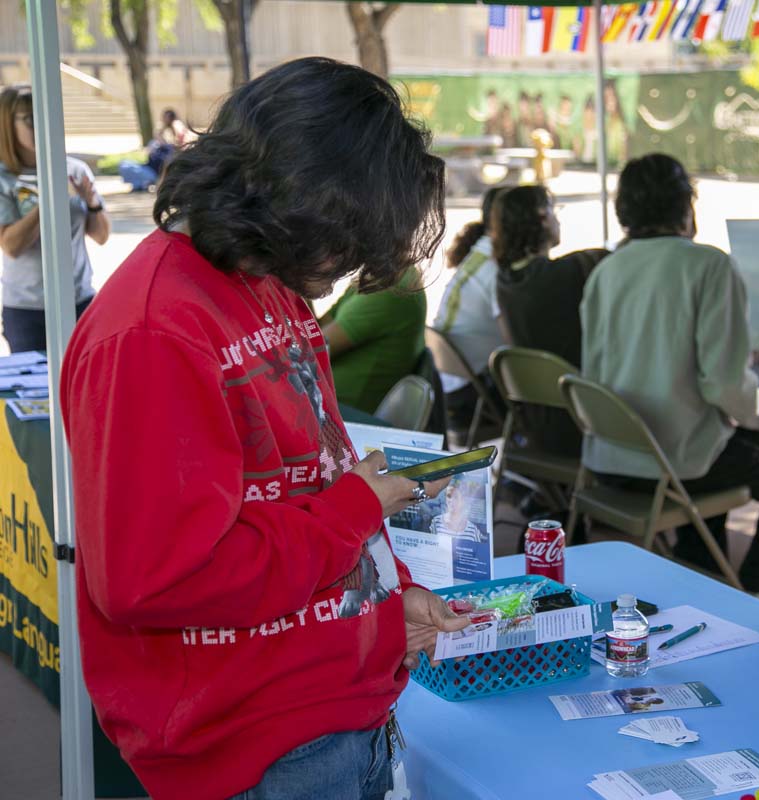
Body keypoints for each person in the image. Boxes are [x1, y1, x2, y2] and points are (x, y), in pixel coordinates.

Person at [59, 58, 471, 800]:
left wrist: (385, 602)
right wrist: (353, 513)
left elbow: (316, 474)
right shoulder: (156, 331)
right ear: (304, 204)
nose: (348, 269)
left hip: (328, 709)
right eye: (348, 244)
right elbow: (158, 578)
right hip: (259, 748)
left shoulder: (265, 285)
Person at [580, 154, 759, 594]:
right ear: (686, 207)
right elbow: (722, 385)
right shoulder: (708, 265)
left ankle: (698, 566)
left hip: (611, 457)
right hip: (674, 461)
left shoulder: (606, 271)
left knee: (722, 436)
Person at [493, 184, 607, 457]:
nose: (559, 220)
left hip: (536, 425)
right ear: (542, 217)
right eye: (555, 212)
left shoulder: (505, 280)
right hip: (583, 423)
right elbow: (600, 259)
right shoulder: (566, 275)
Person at [0, 84, 109, 352]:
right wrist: (50, 198)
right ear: (6, 123)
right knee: (37, 391)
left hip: (80, 300)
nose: (41, 122)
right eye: (29, 118)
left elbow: (102, 236)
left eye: (44, 113)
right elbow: (11, 246)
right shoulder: (5, 179)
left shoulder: (73, 168)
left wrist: (91, 202)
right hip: (28, 309)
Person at [432, 187, 506, 430]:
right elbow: (519, 342)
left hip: (450, 388)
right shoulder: (497, 268)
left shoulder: (480, 254)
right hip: (469, 399)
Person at [319, 266, 427, 414]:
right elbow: (318, 327)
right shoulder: (378, 273)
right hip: (323, 400)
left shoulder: (389, 289)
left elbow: (309, 351)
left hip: (339, 413)